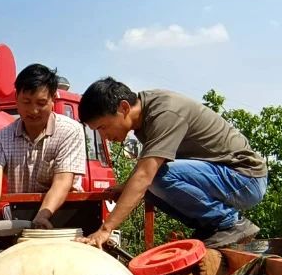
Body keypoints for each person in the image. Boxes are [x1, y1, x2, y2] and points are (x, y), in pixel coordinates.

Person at [77, 77, 267, 249]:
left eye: (102, 127)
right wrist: (124, 187)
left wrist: (106, 228)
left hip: (245, 178)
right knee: (148, 188)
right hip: (227, 177)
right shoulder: (146, 113)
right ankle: (210, 227)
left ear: (124, 108)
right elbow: (146, 166)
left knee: (152, 179)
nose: (104, 136)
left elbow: (145, 174)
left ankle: (229, 223)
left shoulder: (164, 113)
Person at [0, 63, 87, 231]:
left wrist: (43, 215)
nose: (33, 110)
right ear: (16, 99)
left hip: (64, 216)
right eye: (27, 102)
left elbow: (62, 181)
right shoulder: (0, 138)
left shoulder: (70, 131)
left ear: (53, 99)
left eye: (41, 103)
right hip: (21, 218)